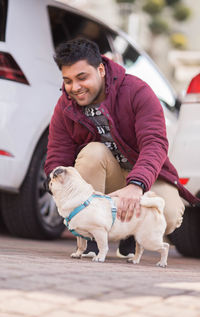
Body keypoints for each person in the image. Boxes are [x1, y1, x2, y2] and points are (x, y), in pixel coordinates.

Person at [44, 38, 199, 257]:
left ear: (101, 70)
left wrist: (136, 185)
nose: (75, 87)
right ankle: (90, 241)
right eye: (68, 81)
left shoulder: (137, 91)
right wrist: (57, 188)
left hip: (144, 176)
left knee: (169, 214)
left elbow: (154, 144)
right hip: (105, 181)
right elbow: (57, 155)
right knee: (92, 153)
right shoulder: (65, 106)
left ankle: (130, 234)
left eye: (82, 78)